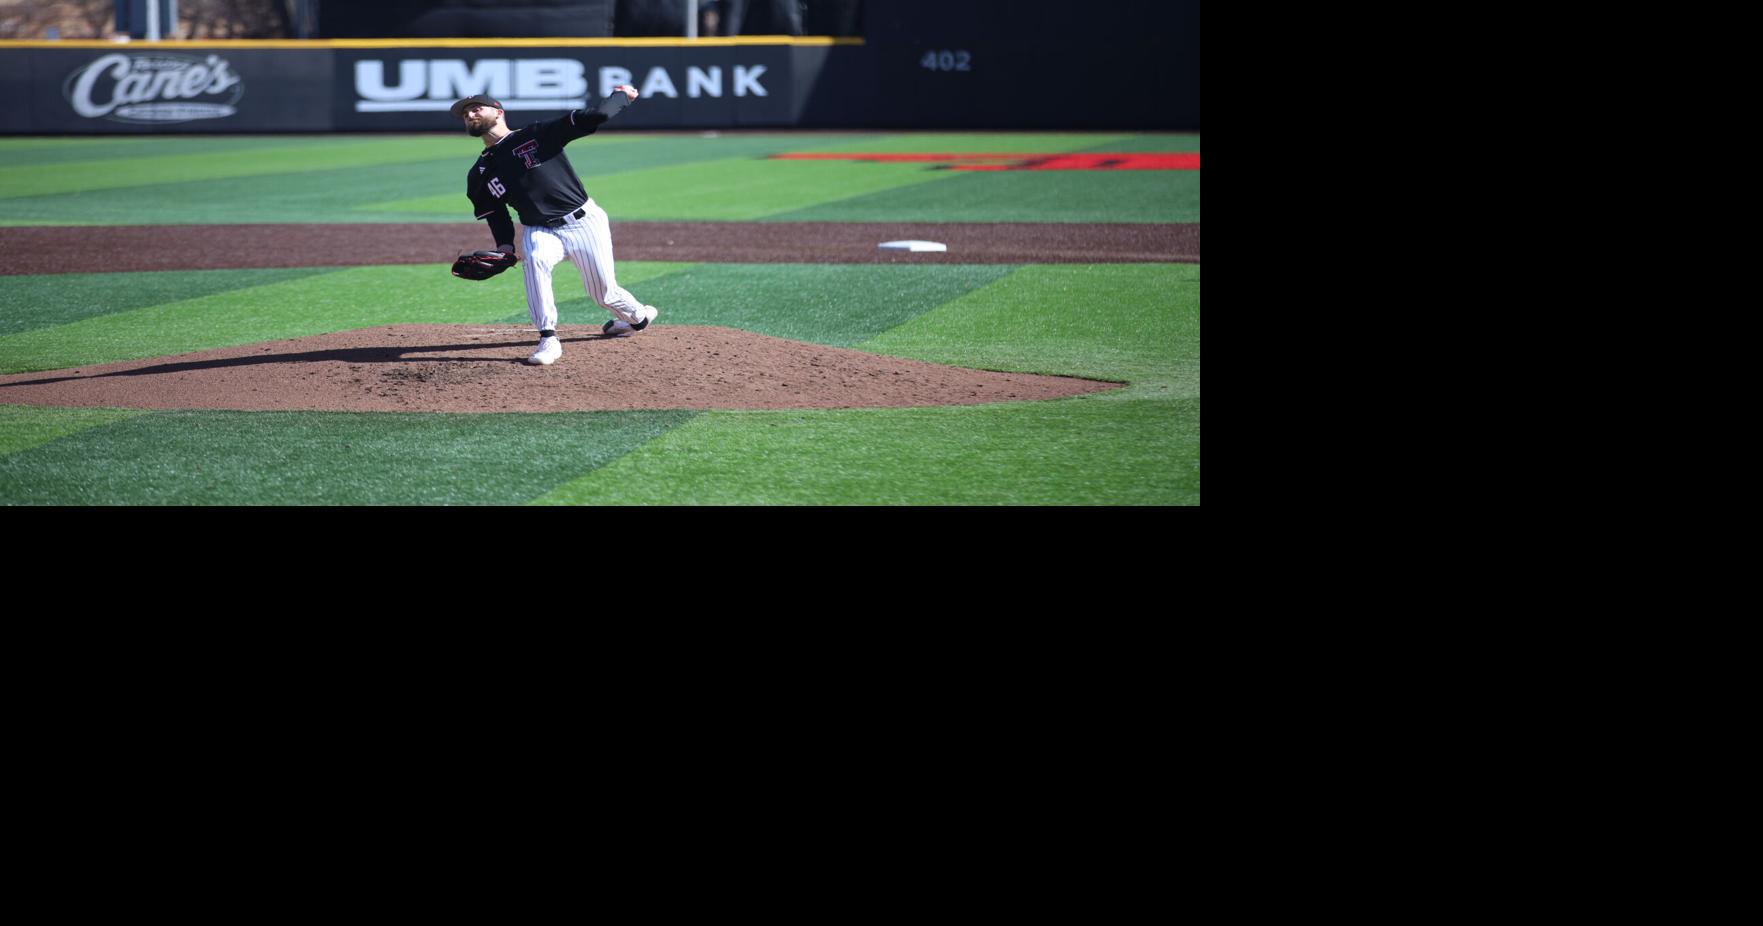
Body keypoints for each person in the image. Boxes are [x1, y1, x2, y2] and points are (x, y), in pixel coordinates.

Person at [453, 87, 659, 366]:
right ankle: (548, 339)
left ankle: (638, 317)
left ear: (499, 112)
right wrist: (504, 246)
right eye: (466, 113)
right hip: (539, 229)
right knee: (535, 261)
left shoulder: (535, 135)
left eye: (477, 108)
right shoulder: (478, 174)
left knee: (604, 294)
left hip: (584, 222)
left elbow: (593, 117)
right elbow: (496, 214)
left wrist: (621, 97)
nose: (470, 114)